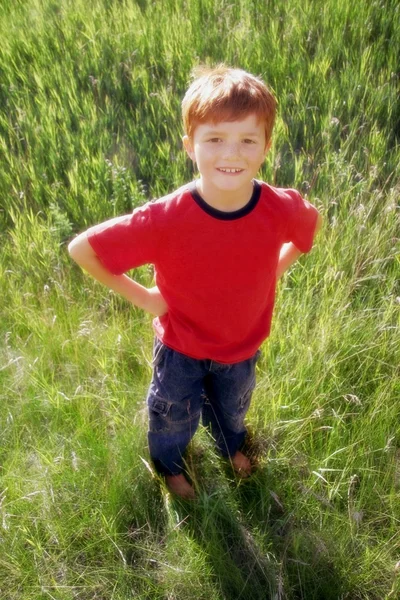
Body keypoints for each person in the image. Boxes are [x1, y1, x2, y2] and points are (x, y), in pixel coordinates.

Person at [68, 65, 322, 500]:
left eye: (247, 140)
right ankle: (169, 466)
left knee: (233, 407)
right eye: (215, 139)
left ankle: (230, 444)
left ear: (266, 147)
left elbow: (307, 228)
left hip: (241, 345)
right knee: (172, 415)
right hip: (181, 347)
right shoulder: (166, 218)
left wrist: (271, 272)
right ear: (190, 145)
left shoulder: (278, 208)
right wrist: (147, 300)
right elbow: (83, 250)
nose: (232, 154)